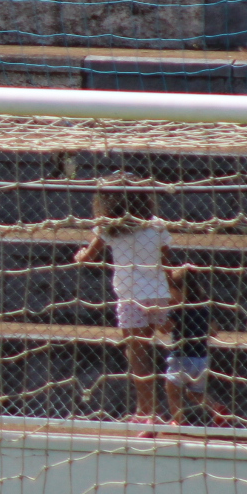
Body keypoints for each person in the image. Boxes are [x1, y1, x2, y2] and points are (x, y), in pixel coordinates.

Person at [74, 174, 174, 423]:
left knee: (138, 356)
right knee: (151, 347)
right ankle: (150, 409)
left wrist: (79, 256)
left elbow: (89, 257)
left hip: (131, 297)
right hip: (159, 295)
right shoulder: (156, 226)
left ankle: (148, 411)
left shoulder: (108, 229)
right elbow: (167, 261)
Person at [163, 265, 232, 427]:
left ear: (181, 291)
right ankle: (216, 408)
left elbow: (164, 328)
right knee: (195, 392)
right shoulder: (203, 307)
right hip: (202, 358)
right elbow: (214, 330)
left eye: (172, 289)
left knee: (172, 389)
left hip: (182, 356)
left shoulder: (178, 309)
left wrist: (157, 315)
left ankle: (178, 420)